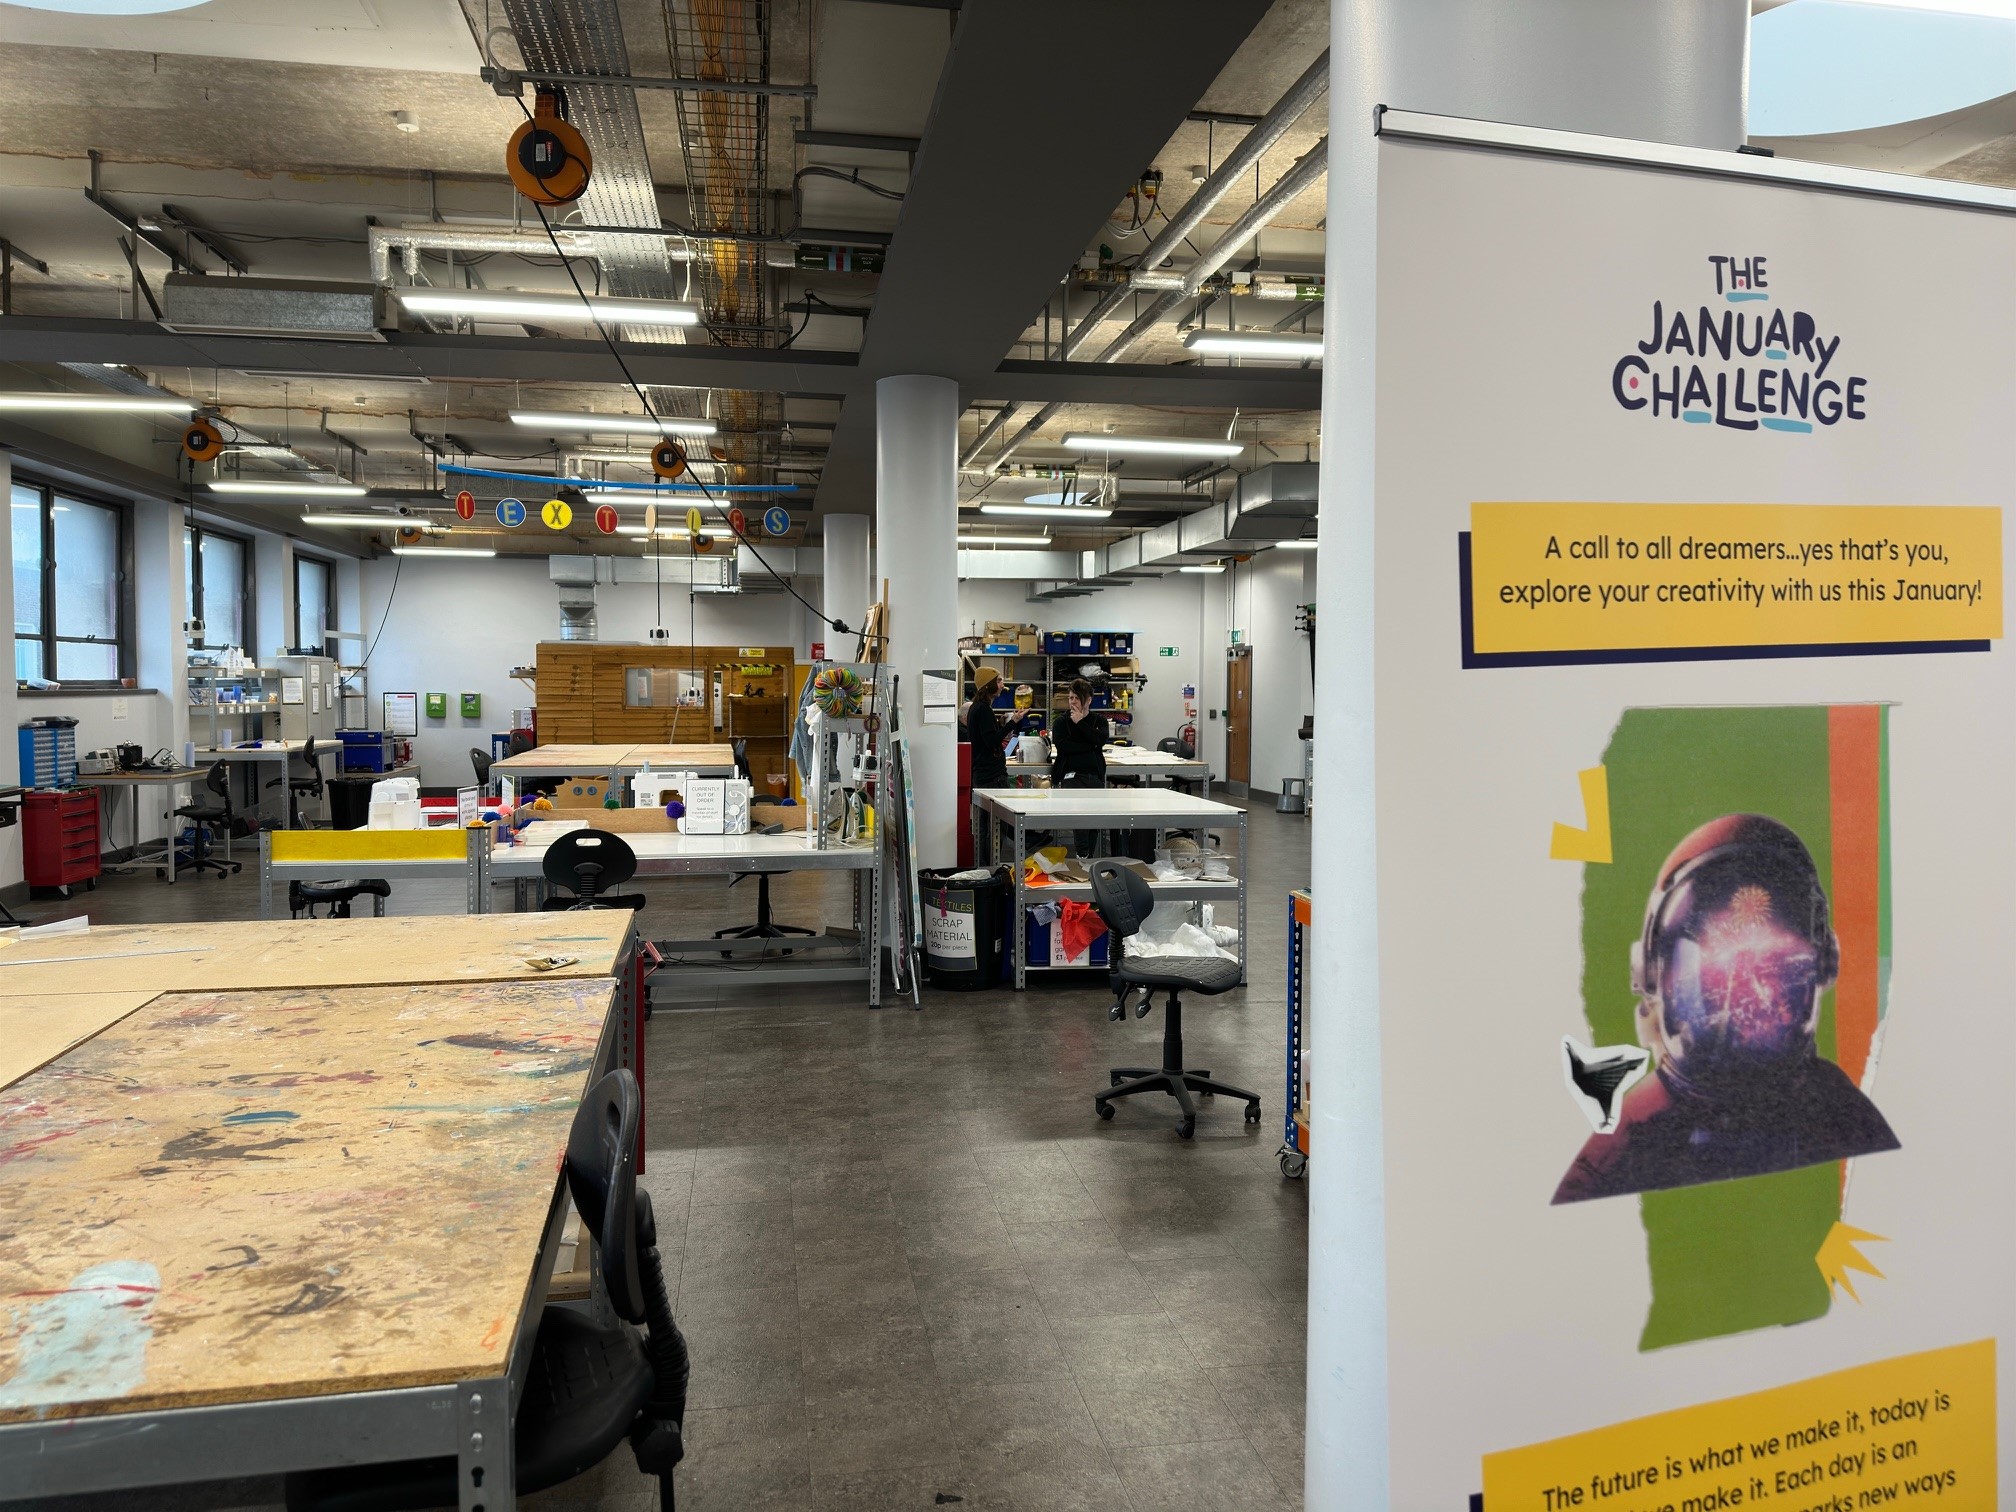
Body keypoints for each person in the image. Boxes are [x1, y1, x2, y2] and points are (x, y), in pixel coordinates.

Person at [1553, 813, 1899, 1204]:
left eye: (1778, 967)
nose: (1746, 998)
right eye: (1715, 974)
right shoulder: (1629, 1138)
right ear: (1650, 975)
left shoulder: (1841, 1112)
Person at [1050, 677, 1110, 857]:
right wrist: (1091, 745)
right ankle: (1083, 855)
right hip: (1071, 775)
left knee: (1094, 820)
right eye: (1070, 698)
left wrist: (1080, 723)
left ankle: (1088, 857)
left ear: (1088, 700)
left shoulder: (1098, 720)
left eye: (1076, 698)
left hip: (1094, 775)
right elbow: (1063, 747)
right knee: (1080, 817)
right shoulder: (1061, 721)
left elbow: (1101, 740)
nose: (1072, 702)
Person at [964, 667, 1019, 790]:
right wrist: (1012, 722)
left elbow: (985, 736)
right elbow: (991, 741)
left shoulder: (976, 707)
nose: (1002, 685)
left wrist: (999, 724)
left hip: (983, 775)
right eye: (999, 681)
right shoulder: (983, 709)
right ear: (988, 685)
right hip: (992, 777)